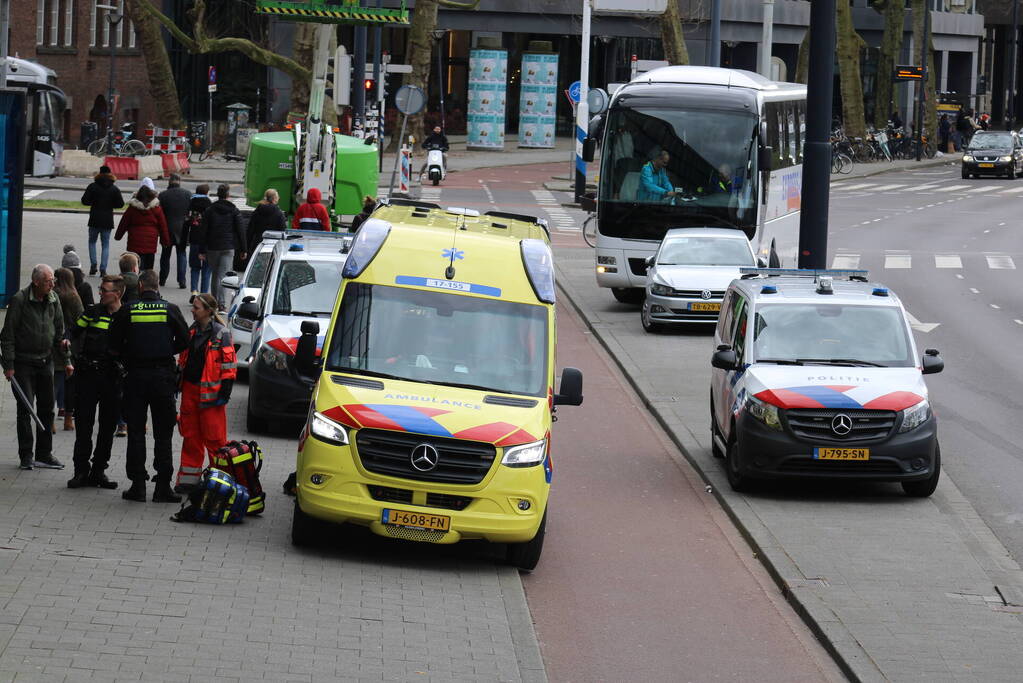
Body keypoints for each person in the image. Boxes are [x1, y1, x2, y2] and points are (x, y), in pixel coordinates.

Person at [108, 269, 189, 503]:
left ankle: (138, 486)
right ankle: (163, 487)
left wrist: (130, 355)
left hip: (135, 377)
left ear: (141, 287)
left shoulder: (129, 309)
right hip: (163, 377)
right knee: (163, 433)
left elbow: (112, 345)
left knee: (135, 431)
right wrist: (165, 351)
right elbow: (185, 340)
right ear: (157, 287)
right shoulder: (170, 309)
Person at [0, 264, 72, 470]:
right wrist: (9, 365)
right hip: (23, 364)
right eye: (49, 281)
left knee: (47, 409)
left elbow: (60, 332)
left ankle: (45, 453)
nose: (53, 284)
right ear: (36, 282)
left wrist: (66, 360)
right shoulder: (20, 300)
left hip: (45, 361)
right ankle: (26, 455)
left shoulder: (53, 299)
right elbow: (8, 336)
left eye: (53, 281)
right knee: (26, 409)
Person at [174, 293, 237, 493]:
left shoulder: (221, 333)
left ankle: (219, 484)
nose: (192, 310)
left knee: (215, 441)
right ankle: (188, 482)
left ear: (208, 311)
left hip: (212, 396)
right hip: (191, 391)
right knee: (191, 436)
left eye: (196, 307)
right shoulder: (192, 331)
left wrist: (224, 392)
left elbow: (229, 365)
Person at [68, 274, 125, 490]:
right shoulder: (92, 312)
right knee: (84, 425)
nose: (100, 292)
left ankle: (98, 470)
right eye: (100, 289)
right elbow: (73, 331)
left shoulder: (125, 316)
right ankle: (80, 471)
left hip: (112, 379)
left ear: (117, 294)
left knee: (108, 426)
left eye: (104, 290)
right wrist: (66, 341)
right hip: (88, 377)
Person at [201, 184, 246, 310]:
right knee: (222, 275)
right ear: (228, 195)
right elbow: (240, 230)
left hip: (213, 247)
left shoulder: (210, 210)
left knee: (215, 274)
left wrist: (201, 249)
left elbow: (203, 230)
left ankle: (214, 302)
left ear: (218, 194)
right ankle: (220, 304)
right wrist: (244, 249)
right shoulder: (234, 210)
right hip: (228, 246)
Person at [53, 267, 83, 432]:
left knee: (54, 382)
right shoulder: (73, 296)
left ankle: (50, 419)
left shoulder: (52, 295)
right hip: (72, 342)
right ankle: (68, 419)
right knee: (70, 383)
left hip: (54, 343)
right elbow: (81, 318)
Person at [80, 165, 124, 276]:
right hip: (108, 220)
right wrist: (111, 203)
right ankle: (103, 269)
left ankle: (93, 265)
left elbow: (84, 201)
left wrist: (93, 201)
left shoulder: (93, 186)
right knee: (105, 245)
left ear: (99, 174)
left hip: (94, 218)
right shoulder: (114, 188)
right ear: (110, 174)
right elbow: (120, 204)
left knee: (92, 242)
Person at [114, 184, 169, 271]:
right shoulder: (157, 209)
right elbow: (163, 226)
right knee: (148, 268)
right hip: (150, 243)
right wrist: (165, 241)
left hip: (134, 242)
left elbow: (123, 223)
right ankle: (147, 282)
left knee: (135, 267)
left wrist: (118, 236)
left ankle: (136, 281)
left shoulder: (132, 208)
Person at [158, 173, 192, 289]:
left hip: (167, 228)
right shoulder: (187, 194)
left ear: (169, 182)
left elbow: (159, 214)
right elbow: (190, 212)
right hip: (183, 228)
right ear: (180, 181)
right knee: (181, 254)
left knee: (165, 255)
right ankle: (182, 280)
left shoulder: (163, 195)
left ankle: (162, 279)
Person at [187, 184, 213, 295]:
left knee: (195, 267)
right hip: (207, 240)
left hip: (194, 238)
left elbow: (187, 220)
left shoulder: (191, 204)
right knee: (207, 269)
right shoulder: (210, 205)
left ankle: (194, 291)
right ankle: (203, 294)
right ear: (207, 193)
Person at [246, 188, 287, 256]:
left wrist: (246, 248)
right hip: (273, 245)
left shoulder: (257, 211)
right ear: (274, 199)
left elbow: (250, 230)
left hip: (258, 244)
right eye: (277, 197)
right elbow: (283, 231)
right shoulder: (279, 214)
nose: (279, 198)